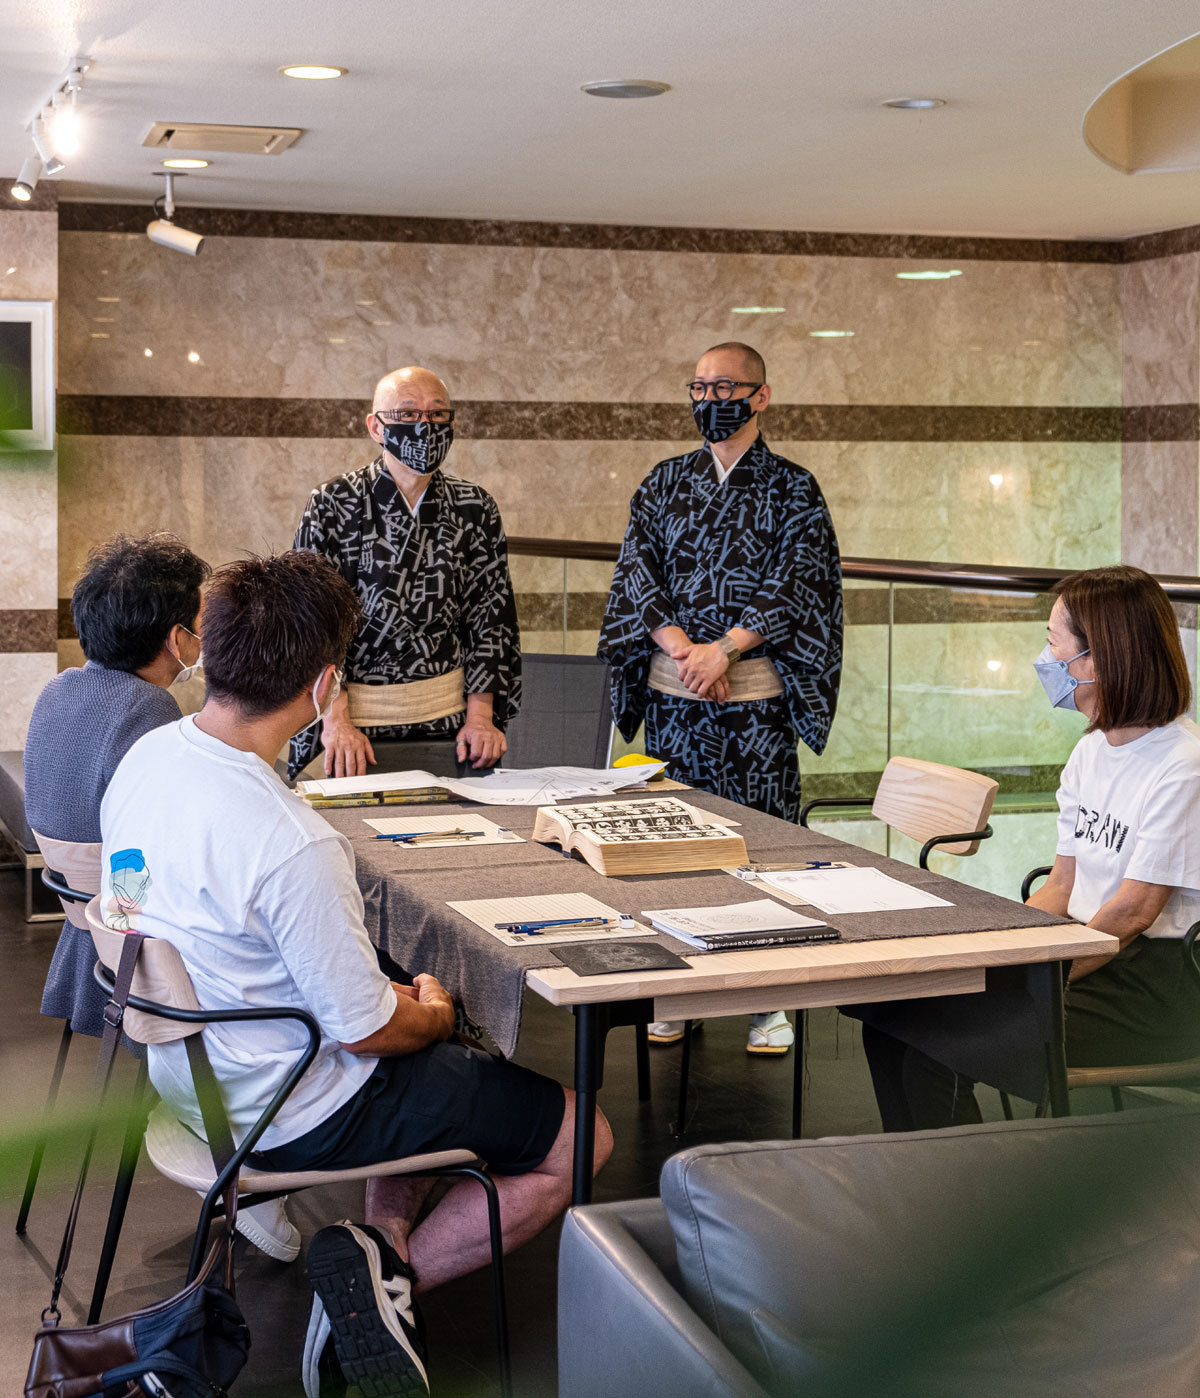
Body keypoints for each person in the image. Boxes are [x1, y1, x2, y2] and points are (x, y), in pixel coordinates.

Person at [99, 550, 609, 1397]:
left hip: (188, 1080)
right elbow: (365, 1030)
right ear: (325, 685)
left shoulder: (145, 761)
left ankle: (375, 1257)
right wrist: (435, 1012)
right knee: (578, 1137)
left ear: (208, 651)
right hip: (290, 1105)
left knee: (402, 1028)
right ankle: (386, 1288)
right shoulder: (290, 839)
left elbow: (128, 916)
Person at [23, 533, 300, 1263]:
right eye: (201, 626)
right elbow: (151, 859)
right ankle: (255, 1173)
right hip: (142, 952)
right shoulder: (149, 716)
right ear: (179, 638)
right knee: (280, 951)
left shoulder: (59, 691)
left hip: (92, 932)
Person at [854, 564, 1200, 1130]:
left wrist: (1033, 973)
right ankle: (919, 1188)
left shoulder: (1183, 766)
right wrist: (997, 951)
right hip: (1088, 951)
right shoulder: (1092, 751)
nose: (1045, 660)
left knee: (939, 1036)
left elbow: (1135, 913)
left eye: (1052, 643)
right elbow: (1061, 887)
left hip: (1151, 984)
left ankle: (955, 1200)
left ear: (1099, 659)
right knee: (895, 1020)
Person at [599, 342, 843, 1054]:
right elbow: (636, 571)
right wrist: (680, 647)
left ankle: (769, 998)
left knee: (760, 846)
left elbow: (799, 582)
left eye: (725, 387)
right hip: (677, 699)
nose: (710, 399)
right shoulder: (664, 480)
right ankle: (678, 987)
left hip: (755, 704)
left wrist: (726, 648)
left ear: (761, 396)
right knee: (672, 843)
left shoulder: (794, 489)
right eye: (699, 387)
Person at [290, 365, 520, 780]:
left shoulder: (475, 505)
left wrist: (482, 717)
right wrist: (335, 721)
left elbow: (491, 617)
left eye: (436, 414)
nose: (424, 426)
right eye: (408, 414)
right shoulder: (331, 502)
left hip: (450, 721)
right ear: (376, 427)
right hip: (350, 724)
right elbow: (311, 620)